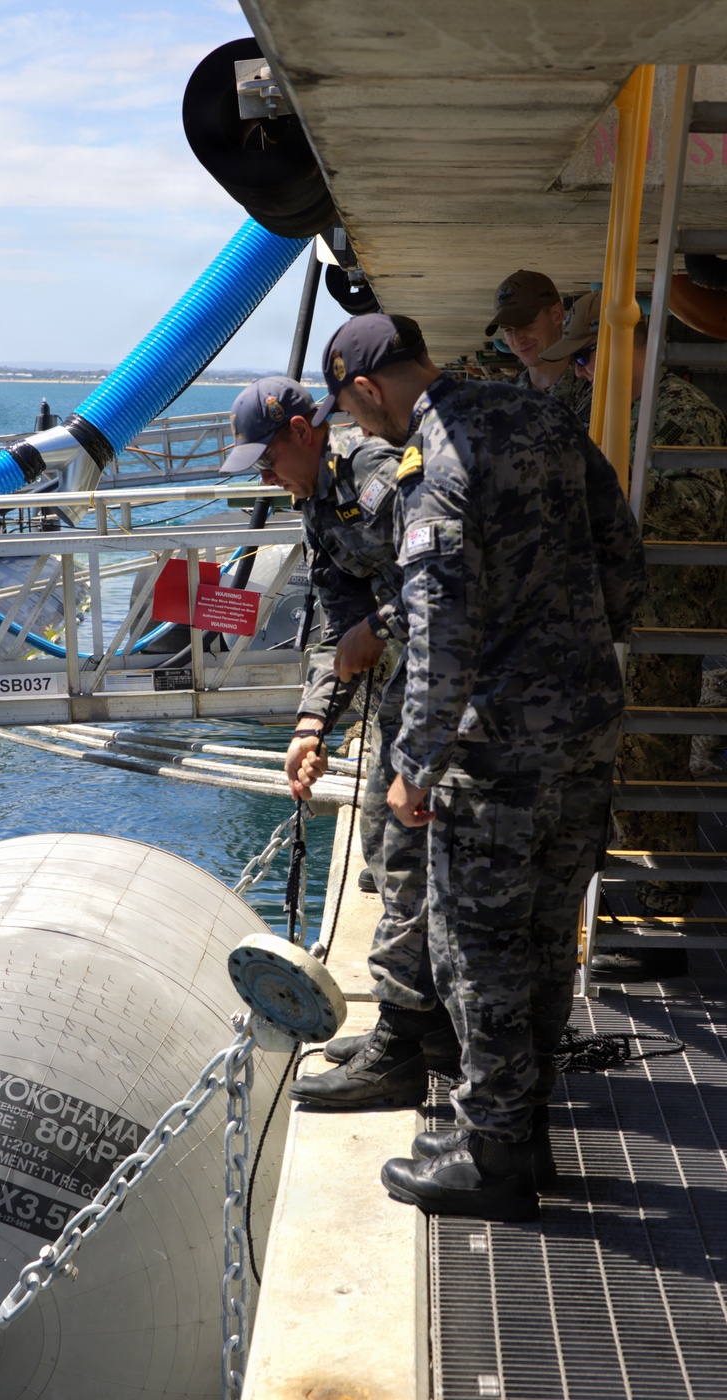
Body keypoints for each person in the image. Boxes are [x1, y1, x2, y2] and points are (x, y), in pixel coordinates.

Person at [313, 312, 646, 1220]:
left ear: (368, 388)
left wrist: (414, 764)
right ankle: (517, 1132)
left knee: (480, 950)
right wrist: (583, 650)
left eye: (350, 406)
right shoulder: (542, 418)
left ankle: (496, 1161)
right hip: (585, 725)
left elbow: (440, 629)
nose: (357, 427)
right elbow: (622, 552)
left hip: (496, 748)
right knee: (545, 936)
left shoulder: (433, 463)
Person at [220, 373, 461, 1109]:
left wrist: (376, 632)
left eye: (267, 459)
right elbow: (337, 625)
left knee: (404, 850)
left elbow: (440, 577)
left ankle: (400, 1047)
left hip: (451, 682)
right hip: (405, 678)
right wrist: (310, 726)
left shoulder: (379, 477)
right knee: (387, 848)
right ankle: (425, 1031)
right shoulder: (318, 504)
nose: (264, 476)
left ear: (304, 432)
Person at [544, 299, 727, 959]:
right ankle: (644, 885)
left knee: (653, 754)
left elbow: (689, 519)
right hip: (628, 611)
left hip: (663, 616)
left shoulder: (682, 414)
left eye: (590, 359)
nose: (585, 374)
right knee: (627, 755)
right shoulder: (630, 410)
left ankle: (666, 908)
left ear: (628, 348)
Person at [487, 268, 591, 417]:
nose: (517, 340)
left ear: (557, 315)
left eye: (525, 325)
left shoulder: (595, 389)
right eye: (508, 330)